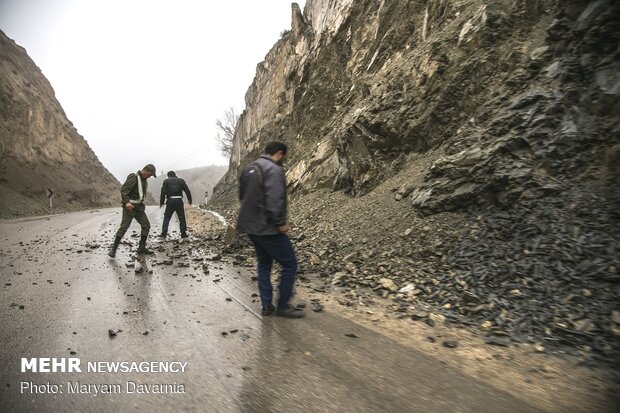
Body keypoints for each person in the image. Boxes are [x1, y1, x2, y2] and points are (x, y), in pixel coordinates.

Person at [236, 141, 304, 318]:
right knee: (290, 263)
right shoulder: (273, 169)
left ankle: (267, 306)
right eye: (284, 157)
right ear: (280, 154)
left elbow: (241, 195)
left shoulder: (249, 168)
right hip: (267, 227)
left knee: (264, 263)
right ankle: (283, 306)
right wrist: (280, 223)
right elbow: (275, 200)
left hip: (251, 227)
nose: (283, 160)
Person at [108, 164, 157, 257]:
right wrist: (127, 202)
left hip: (139, 208)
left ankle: (141, 248)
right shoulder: (134, 177)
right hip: (130, 207)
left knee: (146, 225)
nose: (149, 177)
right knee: (124, 227)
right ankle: (113, 250)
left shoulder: (144, 181)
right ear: (145, 171)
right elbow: (124, 190)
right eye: (149, 174)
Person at [159, 170, 192, 238]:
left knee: (167, 217)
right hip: (179, 200)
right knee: (181, 217)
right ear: (175, 175)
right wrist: (189, 200)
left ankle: (164, 234)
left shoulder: (166, 181)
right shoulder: (181, 181)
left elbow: (163, 192)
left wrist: (161, 202)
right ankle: (183, 233)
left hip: (170, 200)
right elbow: (187, 190)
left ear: (168, 176)